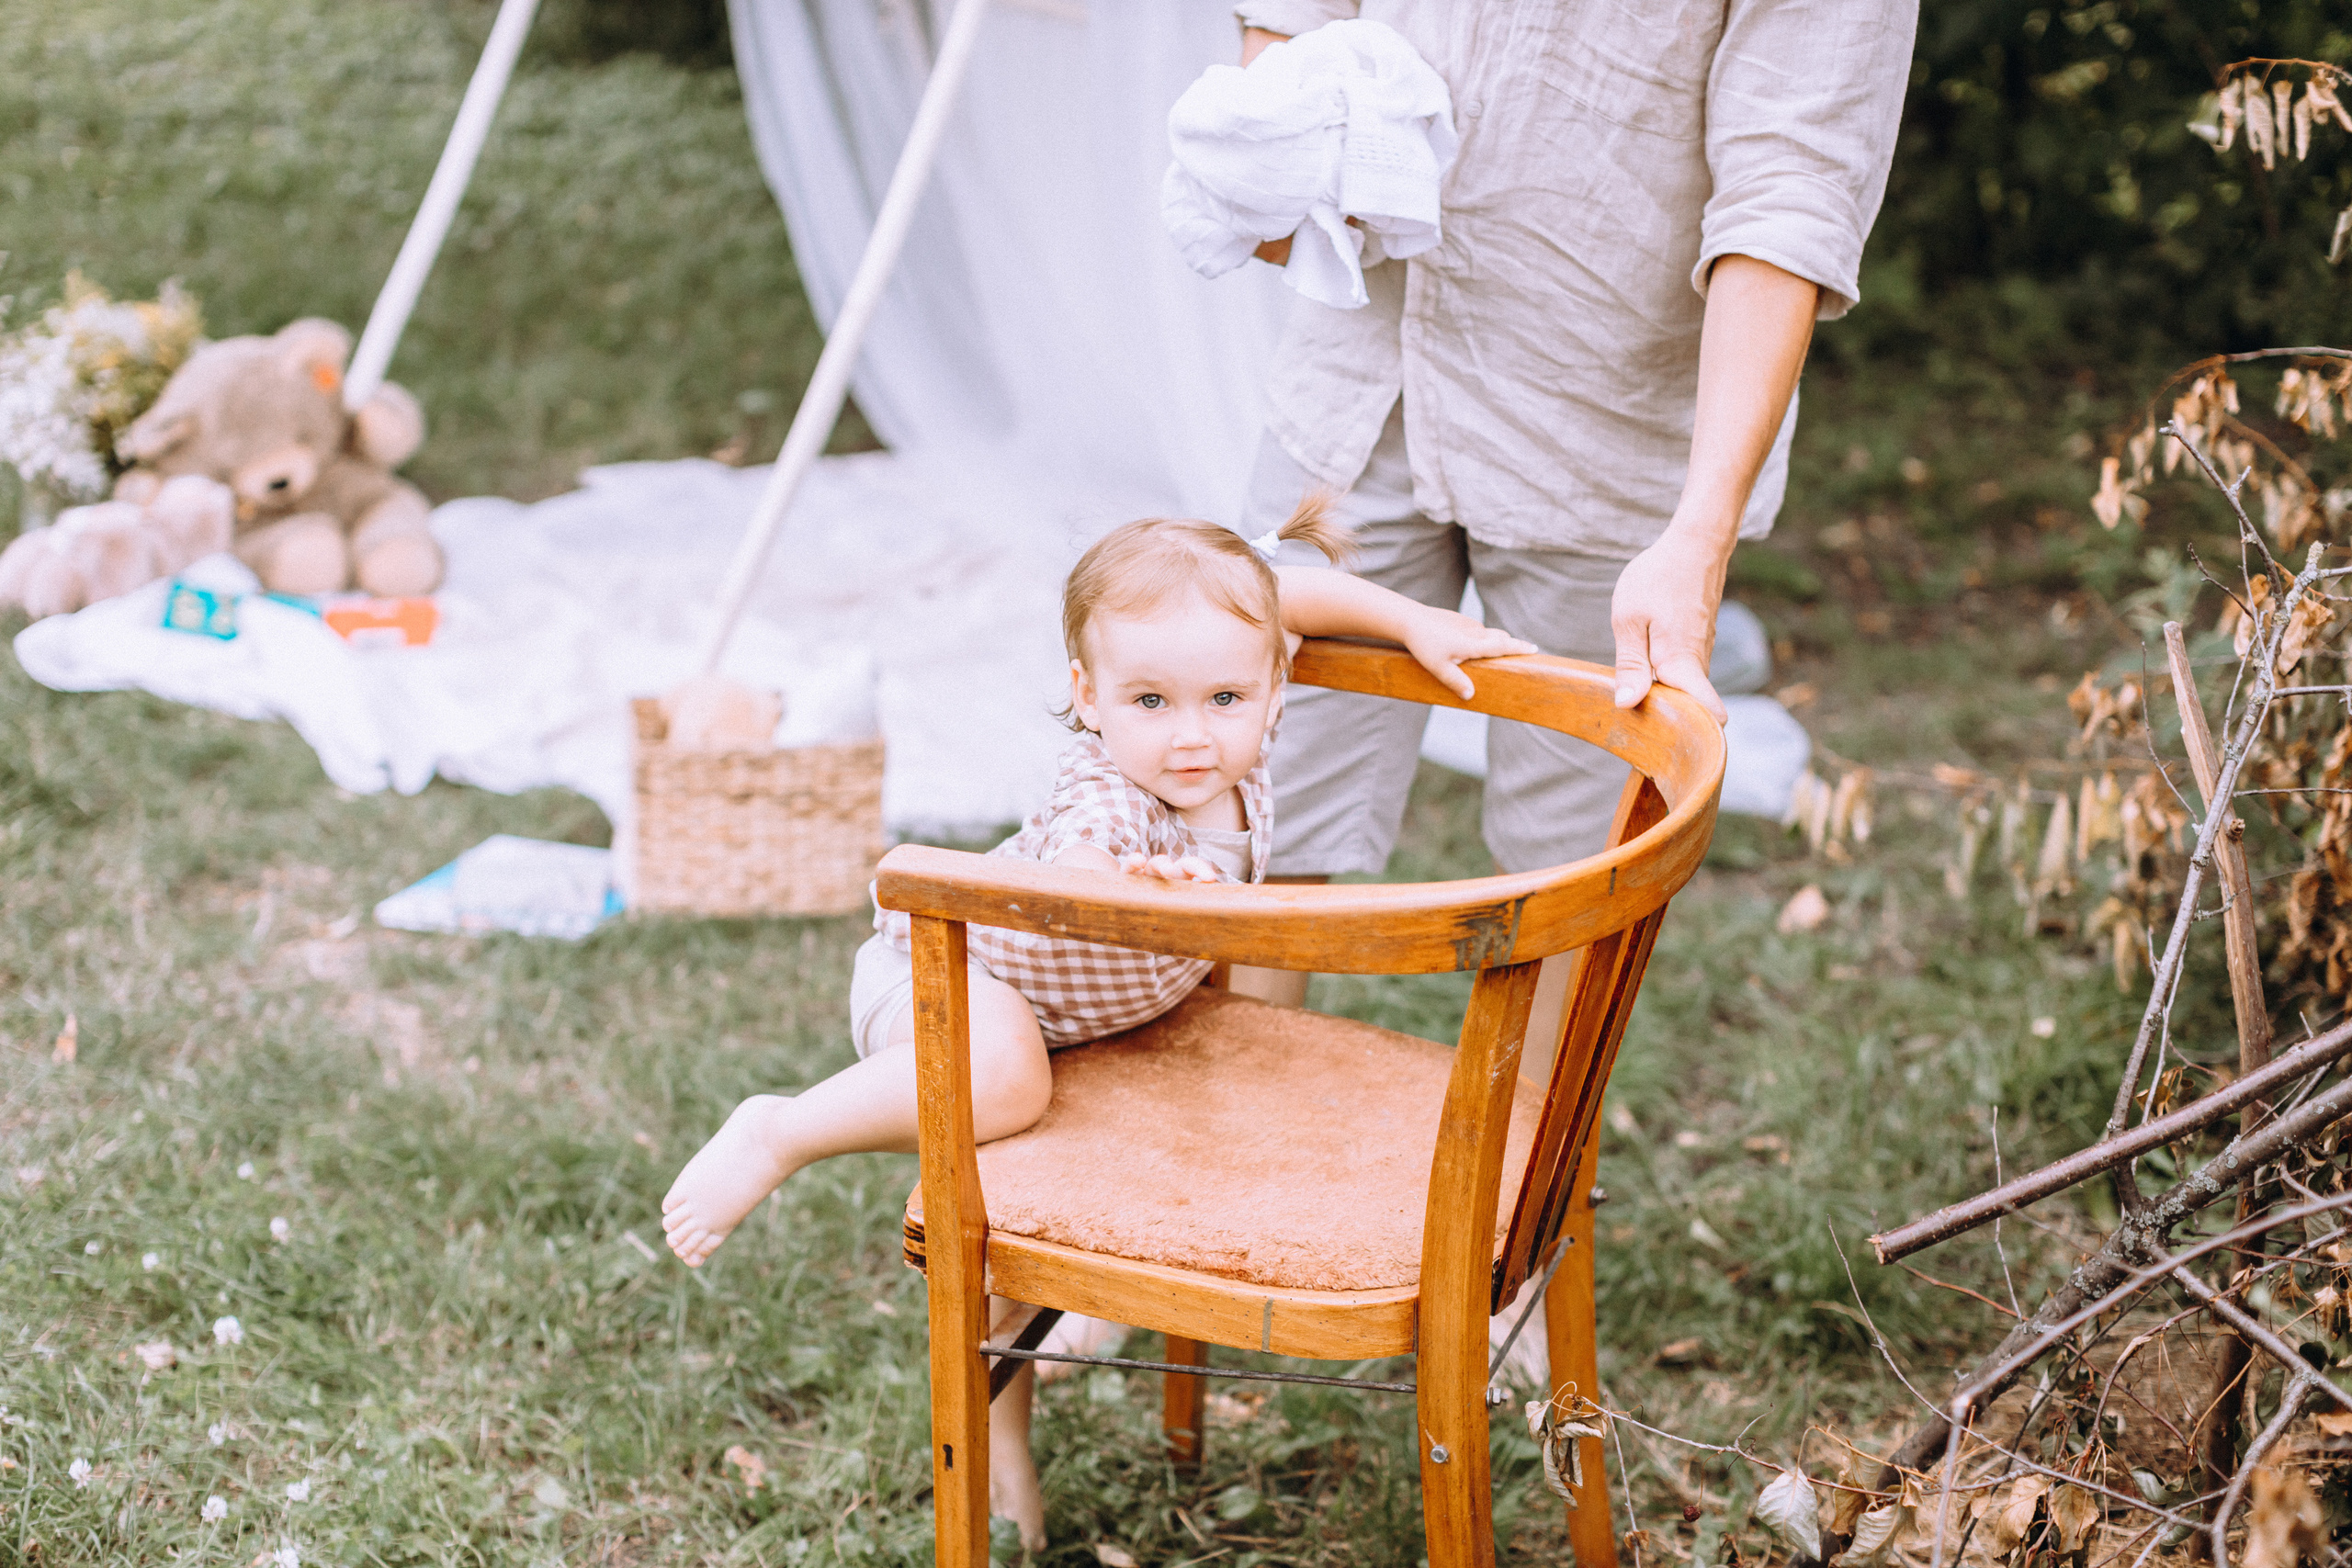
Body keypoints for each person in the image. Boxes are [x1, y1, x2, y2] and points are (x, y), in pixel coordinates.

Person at [660, 494, 1533, 1546]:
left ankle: (1006, 1437)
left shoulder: (1240, 704)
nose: (1193, 734)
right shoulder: (1108, 796)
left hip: (1095, 1022)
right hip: (954, 983)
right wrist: (1124, 882)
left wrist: (1411, 621)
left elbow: (1281, 592)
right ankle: (780, 1128)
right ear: (1088, 696)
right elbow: (1077, 860)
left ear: (1274, 681)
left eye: (1222, 696)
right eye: (1150, 701)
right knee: (1008, 1082)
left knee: (1025, 1137)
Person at [1216, 1, 1916, 1065]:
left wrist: (1700, 536)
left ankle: (1515, 1219)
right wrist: (1270, 155)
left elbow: (1791, 189)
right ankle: (1221, 1186)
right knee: (1256, 811)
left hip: (1610, 437)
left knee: (1565, 886)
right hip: (1357, 386)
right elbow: (1292, 21)